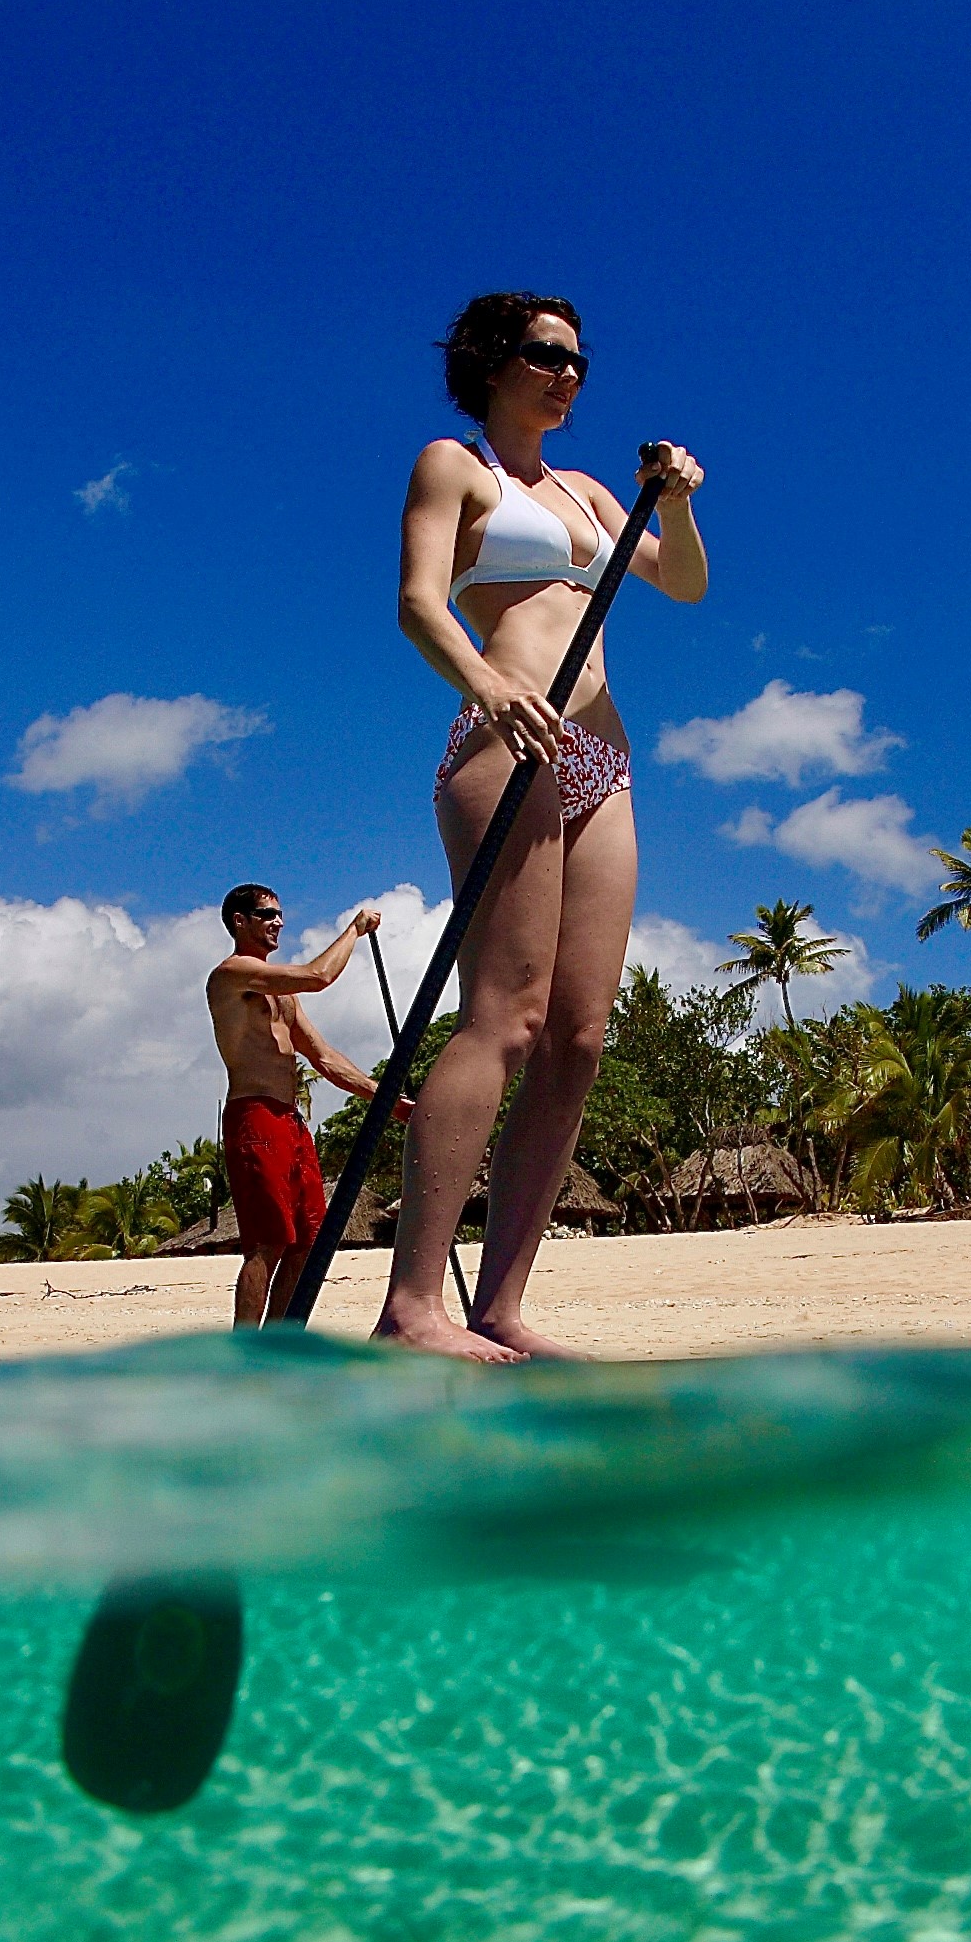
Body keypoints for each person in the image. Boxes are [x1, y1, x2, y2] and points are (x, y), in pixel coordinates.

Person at [382, 292, 707, 1361]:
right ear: (491, 362)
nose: (568, 372)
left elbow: (682, 585)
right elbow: (419, 602)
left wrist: (676, 503)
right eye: (544, 353)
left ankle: (501, 1304)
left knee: (577, 1039)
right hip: (505, 742)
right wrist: (485, 682)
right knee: (506, 1020)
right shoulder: (454, 465)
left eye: (578, 358)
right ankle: (411, 1307)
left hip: (602, 759)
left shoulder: (591, 491)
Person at [206, 884, 381, 1326]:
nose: (278, 922)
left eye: (280, 914)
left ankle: (281, 1342)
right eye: (267, 915)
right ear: (239, 921)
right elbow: (319, 975)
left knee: (309, 1241)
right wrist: (355, 930)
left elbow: (323, 1057)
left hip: (290, 1121)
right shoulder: (231, 974)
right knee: (267, 1243)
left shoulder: (283, 995)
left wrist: (386, 1098)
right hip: (255, 1115)